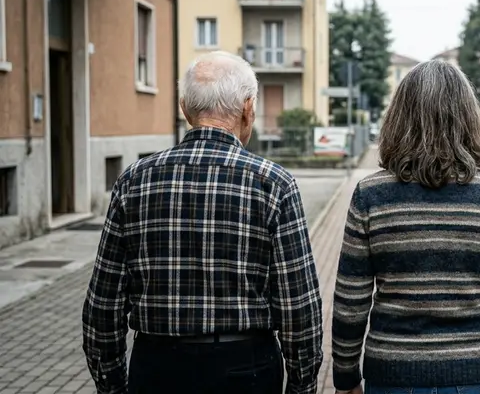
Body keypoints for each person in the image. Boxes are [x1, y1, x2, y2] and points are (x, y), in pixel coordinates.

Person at [81, 51, 324, 394]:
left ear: (184, 108)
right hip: (246, 368)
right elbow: (298, 305)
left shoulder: (133, 181)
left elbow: (103, 304)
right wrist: (302, 385)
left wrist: (112, 385)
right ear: (248, 108)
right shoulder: (274, 184)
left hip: (156, 367)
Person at [331, 60, 480, 394]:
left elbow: (350, 298)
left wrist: (345, 375)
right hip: (479, 374)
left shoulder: (371, 196)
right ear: (469, 119)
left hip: (392, 372)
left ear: (398, 118)